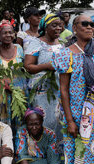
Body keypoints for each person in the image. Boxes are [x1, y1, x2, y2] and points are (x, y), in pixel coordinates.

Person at [52, 15, 94, 164]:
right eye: (85, 24)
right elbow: (63, 90)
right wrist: (70, 121)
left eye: (92, 24)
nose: (90, 27)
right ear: (74, 28)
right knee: (80, 154)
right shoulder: (65, 54)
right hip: (78, 115)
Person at [24, 13, 63, 141]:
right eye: (54, 25)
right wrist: (47, 66)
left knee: (58, 119)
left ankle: (57, 152)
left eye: (60, 25)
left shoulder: (61, 44)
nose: (58, 28)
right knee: (44, 119)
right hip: (42, 91)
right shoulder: (36, 43)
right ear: (45, 27)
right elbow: (28, 66)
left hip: (58, 89)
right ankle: (41, 150)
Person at [0, 20, 26, 129]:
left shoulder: (20, 49)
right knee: (5, 124)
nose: (8, 35)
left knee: (20, 122)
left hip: (20, 92)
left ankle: (20, 145)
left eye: (11, 32)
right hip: (3, 94)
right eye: (5, 33)